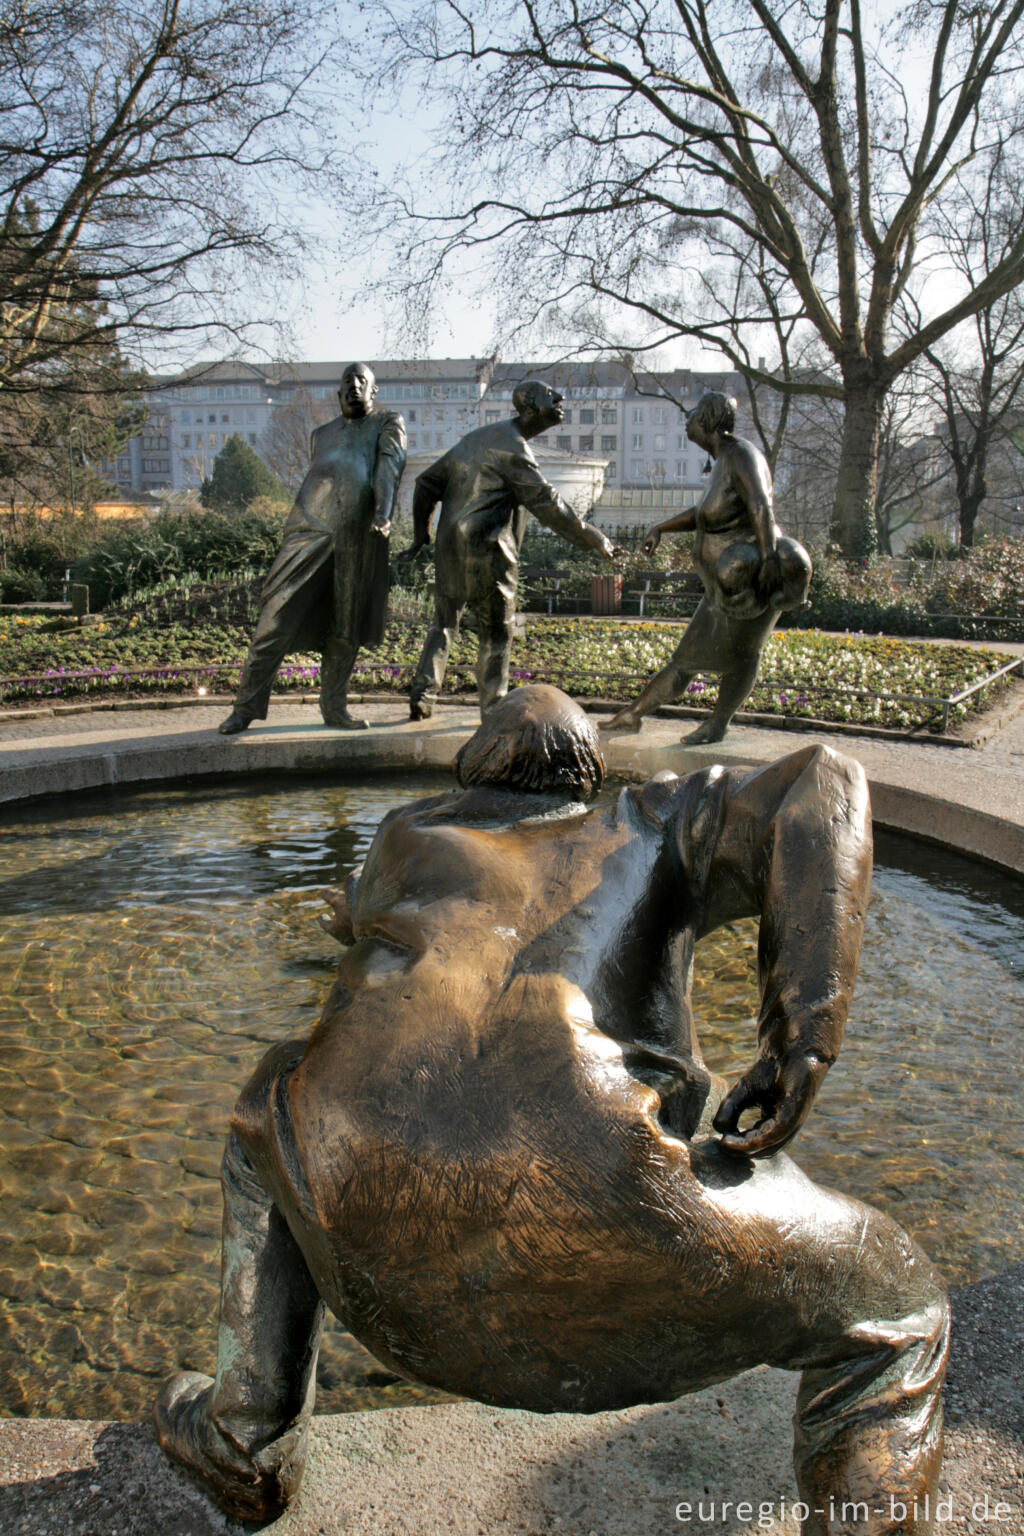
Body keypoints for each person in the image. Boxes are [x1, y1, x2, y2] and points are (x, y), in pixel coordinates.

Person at [155, 686, 947, 1532]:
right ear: (588, 771)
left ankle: (247, 1432)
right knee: (900, 1313)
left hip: (367, 1253)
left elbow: (349, 912)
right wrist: (802, 1032)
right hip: (614, 1235)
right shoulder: (646, 823)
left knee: (272, 1105)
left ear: (476, 763)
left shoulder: (407, 836)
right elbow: (819, 784)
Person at [399, 379, 616, 720]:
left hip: (451, 550)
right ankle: (494, 711)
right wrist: (592, 536)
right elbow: (549, 504)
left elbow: (426, 483)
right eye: (550, 395)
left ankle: (422, 695)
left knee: (443, 624)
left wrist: (421, 535)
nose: (560, 397)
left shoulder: (477, 440)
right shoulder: (513, 448)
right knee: (497, 634)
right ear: (529, 405)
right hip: (489, 552)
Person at [607, 390, 811, 743]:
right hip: (724, 588)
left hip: (749, 582)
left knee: (741, 655)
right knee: (691, 658)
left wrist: (766, 561)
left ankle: (714, 724)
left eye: (692, 414)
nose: (686, 419)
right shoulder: (723, 461)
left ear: (708, 420)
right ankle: (634, 715)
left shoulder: (742, 455)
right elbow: (705, 516)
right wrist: (662, 528)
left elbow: (761, 506)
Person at [218, 363, 406, 734]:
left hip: (355, 533)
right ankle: (245, 708)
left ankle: (334, 708)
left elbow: (390, 466)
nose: (353, 386)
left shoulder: (387, 423)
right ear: (337, 394)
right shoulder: (321, 434)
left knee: (345, 624)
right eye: (346, 382)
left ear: (373, 391)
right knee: (275, 613)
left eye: (361, 381)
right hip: (308, 528)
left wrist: (383, 513)